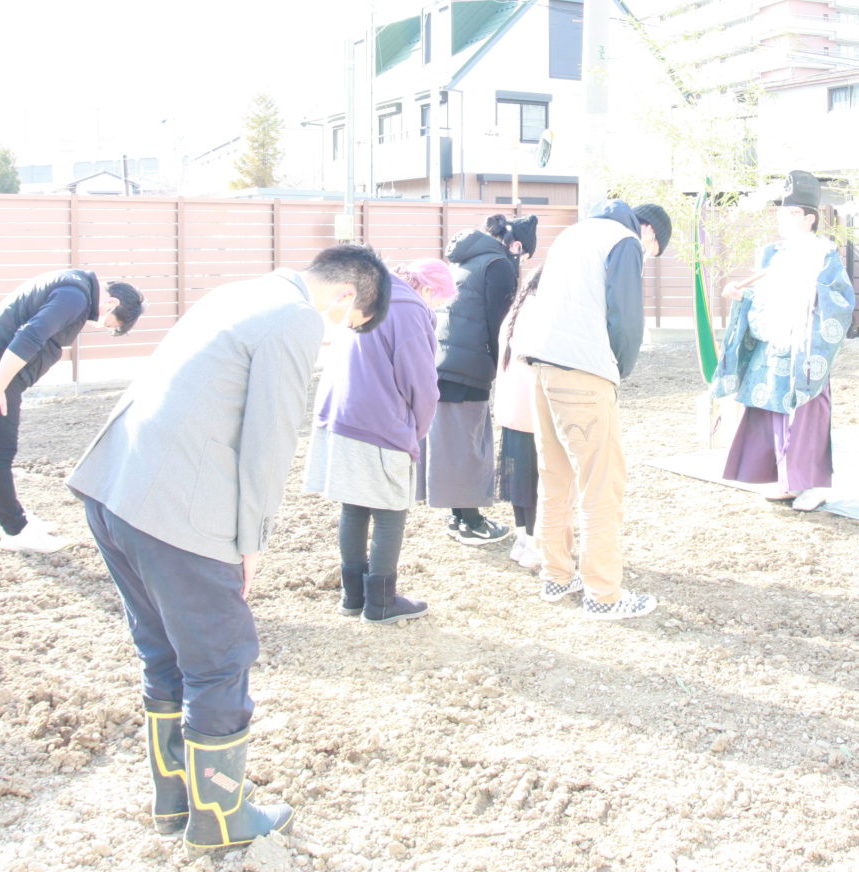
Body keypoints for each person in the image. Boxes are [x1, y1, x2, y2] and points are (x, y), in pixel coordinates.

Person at [67, 243, 390, 853]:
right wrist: (253, 542)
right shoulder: (294, 317)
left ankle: (176, 803)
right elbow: (270, 441)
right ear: (345, 296)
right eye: (349, 326)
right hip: (177, 507)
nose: (337, 336)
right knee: (221, 660)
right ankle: (218, 818)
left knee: (164, 651)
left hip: (115, 487)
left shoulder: (238, 291)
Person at [510, 198, 672, 621]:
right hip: (582, 371)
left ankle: (557, 574)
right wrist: (620, 367)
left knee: (555, 475)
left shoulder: (574, 233)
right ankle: (604, 595)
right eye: (654, 252)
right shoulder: (624, 240)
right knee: (602, 483)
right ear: (650, 232)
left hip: (540, 365)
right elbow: (626, 316)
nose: (648, 257)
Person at [307, 258, 448, 624]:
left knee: (353, 507)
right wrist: (415, 430)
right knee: (390, 513)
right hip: (381, 422)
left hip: (340, 415)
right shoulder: (410, 309)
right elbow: (422, 383)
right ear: (427, 290)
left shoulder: (369, 293)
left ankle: (353, 595)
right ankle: (382, 602)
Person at [0, 269, 143, 553]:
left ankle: (8, 517)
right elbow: (30, 336)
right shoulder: (75, 297)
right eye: (109, 323)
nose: (100, 325)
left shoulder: (74, 288)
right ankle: (15, 530)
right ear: (111, 304)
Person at [713, 171, 856, 504]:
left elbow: (841, 301)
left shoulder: (824, 254)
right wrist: (741, 294)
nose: (785, 218)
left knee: (805, 411)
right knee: (771, 409)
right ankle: (783, 478)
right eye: (782, 212)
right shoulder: (773, 254)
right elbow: (761, 294)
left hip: (805, 345)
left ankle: (812, 485)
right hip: (774, 341)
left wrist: (811, 292)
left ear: (809, 219)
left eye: (793, 213)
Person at [423, 215, 522, 547]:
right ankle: (472, 522)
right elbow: (501, 323)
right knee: (469, 446)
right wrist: (504, 367)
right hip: (469, 364)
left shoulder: (468, 259)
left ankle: (459, 517)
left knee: (454, 445)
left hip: (445, 361)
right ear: (516, 244)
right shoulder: (498, 264)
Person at [492, 268, 545, 569]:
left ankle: (522, 538)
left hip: (511, 409)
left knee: (518, 480)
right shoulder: (540, 311)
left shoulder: (518, 309)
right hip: (532, 410)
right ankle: (536, 544)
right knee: (536, 480)